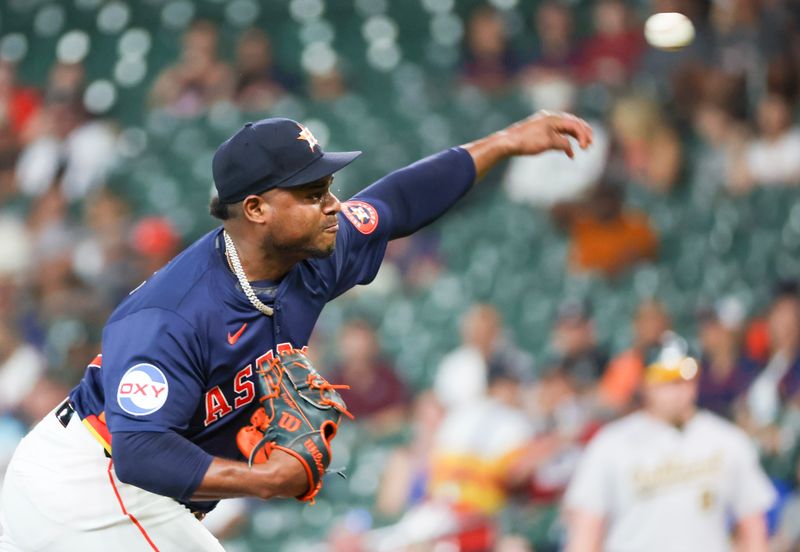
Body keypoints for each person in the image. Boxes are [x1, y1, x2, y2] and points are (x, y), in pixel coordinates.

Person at [0, 112, 593, 550]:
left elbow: (399, 201)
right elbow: (139, 452)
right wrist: (264, 480)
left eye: (327, 189)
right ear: (256, 209)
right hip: (87, 482)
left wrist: (505, 142)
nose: (333, 204)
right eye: (312, 194)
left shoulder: (315, 250)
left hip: (134, 492)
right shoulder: (170, 316)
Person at [564, 335, 775, 552]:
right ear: (644, 383)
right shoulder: (611, 443)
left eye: (684, 377)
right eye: (665, 379)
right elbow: (586, 531)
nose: (677, 388)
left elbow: (753, 526)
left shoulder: (727, 439)